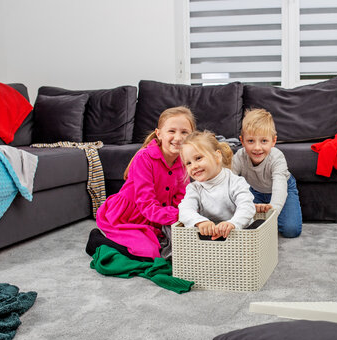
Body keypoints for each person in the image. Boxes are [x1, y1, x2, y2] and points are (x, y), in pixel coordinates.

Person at [86, 106, 196, 260]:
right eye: (171, 131)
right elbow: (146, 204)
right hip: (128, 216)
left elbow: (181, 199)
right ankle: (98, 241)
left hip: (154, 217)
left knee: (177, 249)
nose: (178, 137)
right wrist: (181, 215)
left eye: (184, 132)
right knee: (149, 253)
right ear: (159, 134)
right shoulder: (144, 158)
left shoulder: (184, 162)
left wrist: (189, 215)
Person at [232, 108, 302, 238]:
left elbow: (279, 188)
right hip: (255, 189)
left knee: (291, 230)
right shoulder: (239, 157)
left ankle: (279, 213)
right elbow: (229, 182)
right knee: (245, 222)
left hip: (282, 187)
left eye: (264, 141)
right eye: (251, 141)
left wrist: (272, 210)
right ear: (242, 141)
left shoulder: (277, 158)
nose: (257, 148)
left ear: (273, 141)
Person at [178, 130, 256, 240]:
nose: (194, 166)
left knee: (259, 224)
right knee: (192, 234)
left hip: (238, 233)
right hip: (212, 235)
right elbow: (185, 209)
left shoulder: (235, 182)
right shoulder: (194, 188)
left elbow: (247, 207)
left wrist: (232, 223)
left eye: (198, 158)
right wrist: (200, 222)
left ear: (217, 156)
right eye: (188, 163)